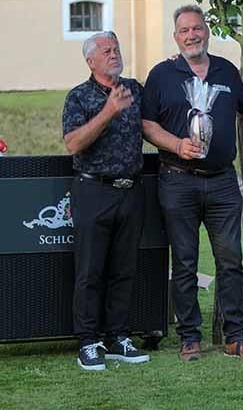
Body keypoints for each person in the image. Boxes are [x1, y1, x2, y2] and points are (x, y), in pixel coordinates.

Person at [142, 5, 243, 361]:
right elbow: (148, 125)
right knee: (184, 262)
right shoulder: (162, 74)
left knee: (231, 261)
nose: (192, 35)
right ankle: (189, 338)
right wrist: (177, 144)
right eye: (184, 31)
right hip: (177, 180)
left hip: (222, 183)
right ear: (175, 37)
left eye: (197, 28)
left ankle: (236, 337)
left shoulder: (227, 71)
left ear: (207, 31)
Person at [62, 31, 150, 370]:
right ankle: (88, 341)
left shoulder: (134, 88)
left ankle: (118, 337)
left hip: (130, 191)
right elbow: (73, 143)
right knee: (90, 270)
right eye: (106, 51)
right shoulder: (79, 97)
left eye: (116, 48)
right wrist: (109, 111)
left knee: (124, 269)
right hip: (93, 190)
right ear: (91, 61)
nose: (114, 54)